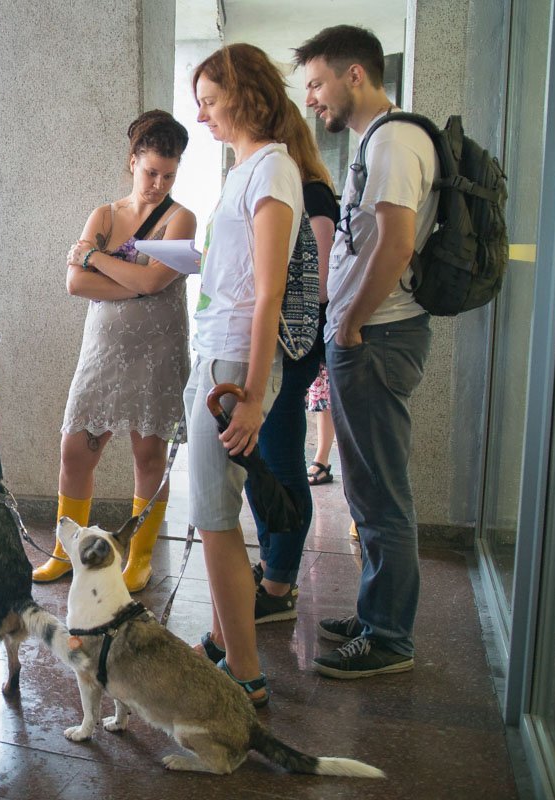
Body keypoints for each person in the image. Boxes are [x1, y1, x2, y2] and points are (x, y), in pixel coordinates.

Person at [295, 24, 437, 679]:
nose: (313, 99)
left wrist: (349, 322)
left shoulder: (397, 139)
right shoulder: (373, 142)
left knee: (383, 496)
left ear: (356, 75)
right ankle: (375, 612)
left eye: (318, 83)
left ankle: (390, 638)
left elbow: (397, 242)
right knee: (365, 490)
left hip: (377, 337)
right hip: (365, 337)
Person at [180, 45, 304, 708]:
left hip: (233, 365)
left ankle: (246, 673)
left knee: (215, 518)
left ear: (241, 92)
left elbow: (268, 293)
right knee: (213, 514)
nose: (201, 116)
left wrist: (253, 395)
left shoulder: (273, 169)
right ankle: (230, 645)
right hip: (217, 359)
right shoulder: (248, 168)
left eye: (208, 100)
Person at [31, 110, 196, 591]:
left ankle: (139, 557)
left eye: (168, 174)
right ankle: (65, 550)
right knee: (75, 452)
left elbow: (153, 280)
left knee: (148, 455)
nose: (158, 183)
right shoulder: (104, 214)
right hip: (103, 351)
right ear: (132, 162)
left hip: (157, 351)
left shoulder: (179, 217)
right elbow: (75, 282)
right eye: (151, 172)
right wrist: (133, 282)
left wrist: (96, 258)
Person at [242, 100, 340, 624]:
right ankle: (273, 567)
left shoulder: (311, 193)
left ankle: (279, 584)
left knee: (280, 460)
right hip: (282, 342)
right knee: (268, 458)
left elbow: (319, 285)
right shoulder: (293, 189)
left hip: (292, 343)